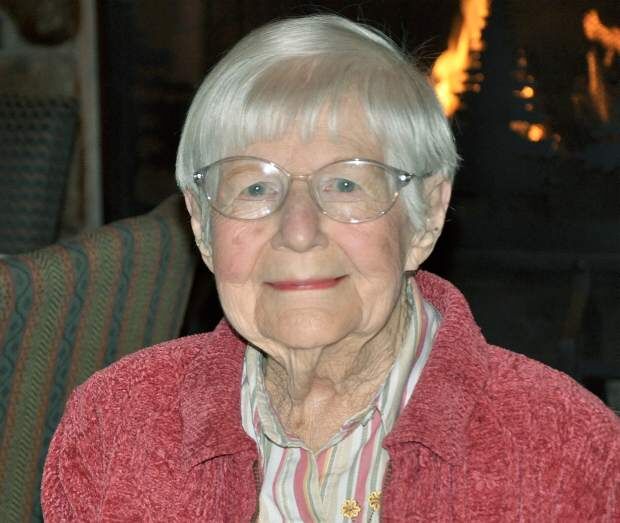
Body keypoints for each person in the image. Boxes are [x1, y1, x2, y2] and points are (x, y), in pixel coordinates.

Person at [42, 14, 619, 522]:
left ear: (426, 216)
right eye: (254, 187)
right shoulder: (116, 426)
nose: (298, 231)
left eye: (345, 183)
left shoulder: (564, 451)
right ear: (200, 224)